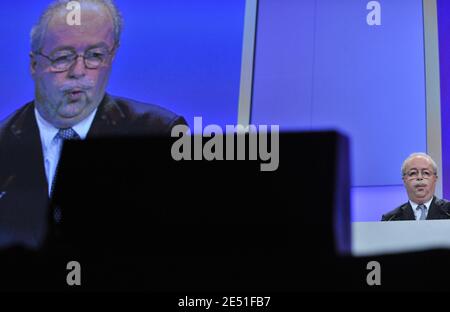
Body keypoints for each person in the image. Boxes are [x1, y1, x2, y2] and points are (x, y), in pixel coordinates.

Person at [0, 0, 186, 248]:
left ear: (112, 57)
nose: (79, 71)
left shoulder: (159, 134)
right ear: (34, 65)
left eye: (95, 56)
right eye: (62, 57)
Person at [381, 153, 450, 221]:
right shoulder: (390, 219)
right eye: (413, 173)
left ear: (435, 179)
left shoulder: (448, 211)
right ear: (404, 180)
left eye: (426, 173)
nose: (419, 177)